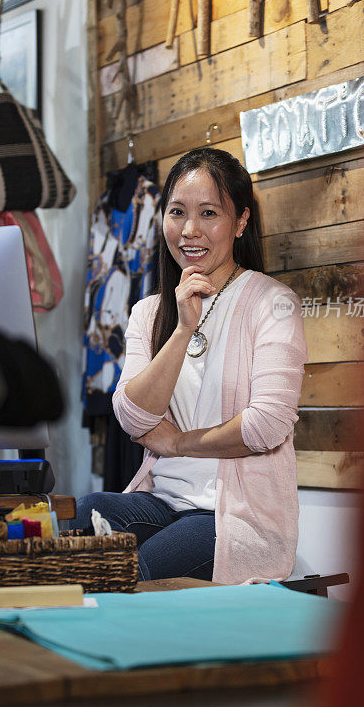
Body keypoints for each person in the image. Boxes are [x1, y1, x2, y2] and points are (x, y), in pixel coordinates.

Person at [73, 147, 307, 584]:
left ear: (240, 222)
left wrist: (178, 444)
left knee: (132, 572)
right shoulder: (150, 311)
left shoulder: (272, 303)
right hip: (163, 500)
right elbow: (131, 415)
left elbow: (266, 425)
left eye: (209, 214)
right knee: (82, 517)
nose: (190, 230)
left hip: (233, 514)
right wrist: (181, 330)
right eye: (177, 212)